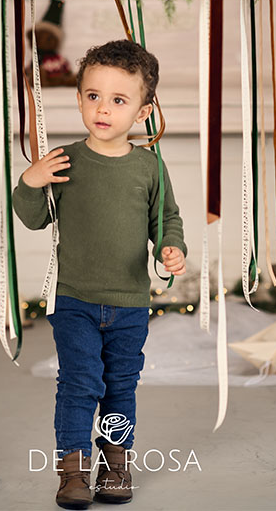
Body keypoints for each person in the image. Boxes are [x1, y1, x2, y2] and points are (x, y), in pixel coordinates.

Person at [12, 39, 187, 509]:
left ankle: (115, 466)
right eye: (93, 96)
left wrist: (170, 248)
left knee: (120, 386)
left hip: (130, 304)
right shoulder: (65, 161)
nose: (103, 109)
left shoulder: (149, 166)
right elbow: (33, 217)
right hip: (74, 300)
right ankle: (72, 472)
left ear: (143, 112)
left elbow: (166, 219)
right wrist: (30, 181)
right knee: (80, 381)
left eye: (118, 100)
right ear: (79, 99)